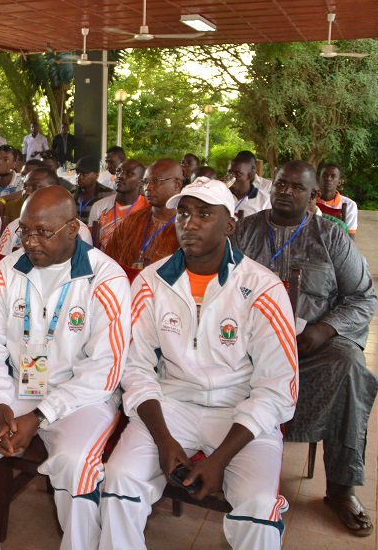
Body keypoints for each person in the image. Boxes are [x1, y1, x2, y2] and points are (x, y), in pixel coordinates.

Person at [0, 186, 130, 550]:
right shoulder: (7, 271)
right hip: (17, 384)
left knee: (76, 462)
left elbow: (105, 369)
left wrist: (39, 416)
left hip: (81, 396)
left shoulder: (105, 278)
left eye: (43, 232)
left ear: (72, 229)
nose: (31, 242)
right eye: (25, 231)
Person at [100, 176, 298, 550]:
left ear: (230, 225)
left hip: (241, 413)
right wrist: (164, 440)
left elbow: (278, 387)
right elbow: (135, 367)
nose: (189, 223)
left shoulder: (262, 287)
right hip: (170, 406)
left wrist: (219, 459)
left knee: (258, 507)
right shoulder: (151, 282)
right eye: (184, 214)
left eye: (204, 214)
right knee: (120, 480)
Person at [235, 160, 378, 538]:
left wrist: (323, 329)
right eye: (281, 184)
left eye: (297, 187)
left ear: (313, 195)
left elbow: (363, 297)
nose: (285, 192)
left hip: (308, 348)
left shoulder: (331, 237)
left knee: (349, 365)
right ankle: (225, 461)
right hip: (248, 347)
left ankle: (341, 489)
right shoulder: (245, 230)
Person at [104, 158, 183, 279]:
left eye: (155, 181)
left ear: (177, 185)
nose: (148, 187)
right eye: (145, 181)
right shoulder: (131, 221)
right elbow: (109, 262)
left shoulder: (186, 228)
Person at [0, 168, 92, 255]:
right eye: (25, 187)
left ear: (54, 192)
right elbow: (0, 261)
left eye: (36, 187)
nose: (27, 192)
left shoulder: (76, 230)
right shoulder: (13, 226)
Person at [89, 159, 147, 250]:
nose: (120, 176)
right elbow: (92, 245)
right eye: (118, 171)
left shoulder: (148, 208)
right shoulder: (99, 207)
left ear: (141, 182)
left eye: (129, 174)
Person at [317, 163, 359, 237]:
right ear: (318, 179)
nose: (328, 178)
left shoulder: (350, 205)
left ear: (339, 182)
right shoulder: (309, 201)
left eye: (333, 176)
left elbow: (350, 238)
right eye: (324, 175)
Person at [74, 156, 112, 223]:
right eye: (77, 173)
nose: (79, 177)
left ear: (96, 175)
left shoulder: (108, 195)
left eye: (84, 174)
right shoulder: (71, 194)